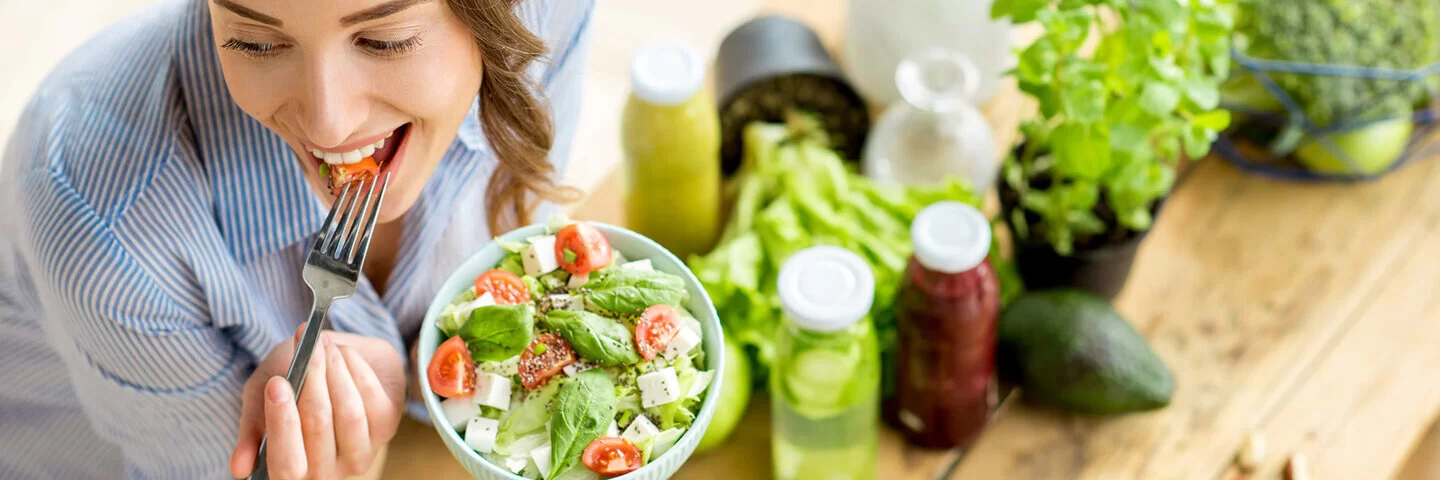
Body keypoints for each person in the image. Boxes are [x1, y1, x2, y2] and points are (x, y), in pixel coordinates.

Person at [0, 0, 593, 477]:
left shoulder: (546, 15)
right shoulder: (101, 215)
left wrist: (412, 373)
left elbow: (521, 275)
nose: (327, 124)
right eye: (256, 42)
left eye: (384, 40)